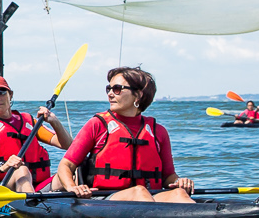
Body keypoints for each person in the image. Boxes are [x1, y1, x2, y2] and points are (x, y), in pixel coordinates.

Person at [58, 66, 195, 203]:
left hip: (150, 196)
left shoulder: (158, 132)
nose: (110, 94)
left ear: (139, 95)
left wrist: (179, 182)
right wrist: (72, 187)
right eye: (109, 89)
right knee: (139, 192)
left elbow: (168, 176)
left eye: (117, 89)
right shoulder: (97, 125)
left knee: (179, 194)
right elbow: (66, 165)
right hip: (105, 199)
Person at [0, 75, 65, 192]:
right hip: (5, 187)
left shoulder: (29, 122)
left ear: (10, 95)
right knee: (21, 170)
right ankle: (32, 206)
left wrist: (55, 122)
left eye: (1, 92)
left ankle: (87, 203)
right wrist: (3, 166)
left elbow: (67, 145)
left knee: (72, 170)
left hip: (39, 187)